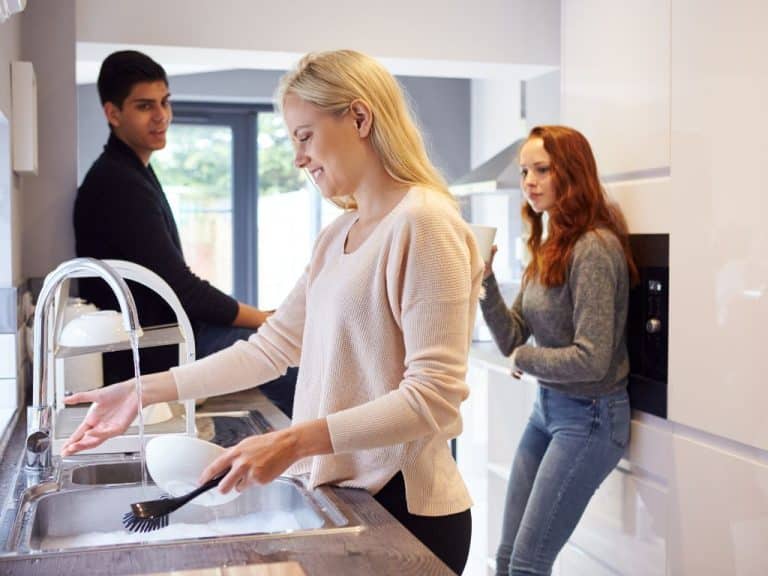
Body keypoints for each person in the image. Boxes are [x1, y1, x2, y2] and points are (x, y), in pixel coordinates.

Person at [63, 49, 484, 575]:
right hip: (348, 496)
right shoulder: (337, 236)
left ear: (359, 117)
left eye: (305, 136)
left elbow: (434, 399)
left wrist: (292, 441)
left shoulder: (425, 223)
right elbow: (271, 347)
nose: (299, 158)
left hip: (406, 511)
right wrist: (142, 389)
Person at [73, 50, 296, 417]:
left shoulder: (129, 172)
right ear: (113, 114)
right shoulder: (118, 183)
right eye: (145, 106)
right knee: (273, 349)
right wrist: (263, 319)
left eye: (164, 102)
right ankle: (330, 448)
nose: (161, 116)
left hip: (164, 337)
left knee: (272, 342)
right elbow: (181, 288)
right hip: (151, 348)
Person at [480, 126, 638, 576]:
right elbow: (512, 337)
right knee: (508, 559)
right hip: (547, 410)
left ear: (571, 172)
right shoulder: (548, 247)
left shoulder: (594, 249)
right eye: (525, 171)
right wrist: (484, 281)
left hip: (591, 417)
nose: (529, 181)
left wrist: (525, 361)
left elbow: (592, 357)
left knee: (528, 565)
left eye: (541, 170)